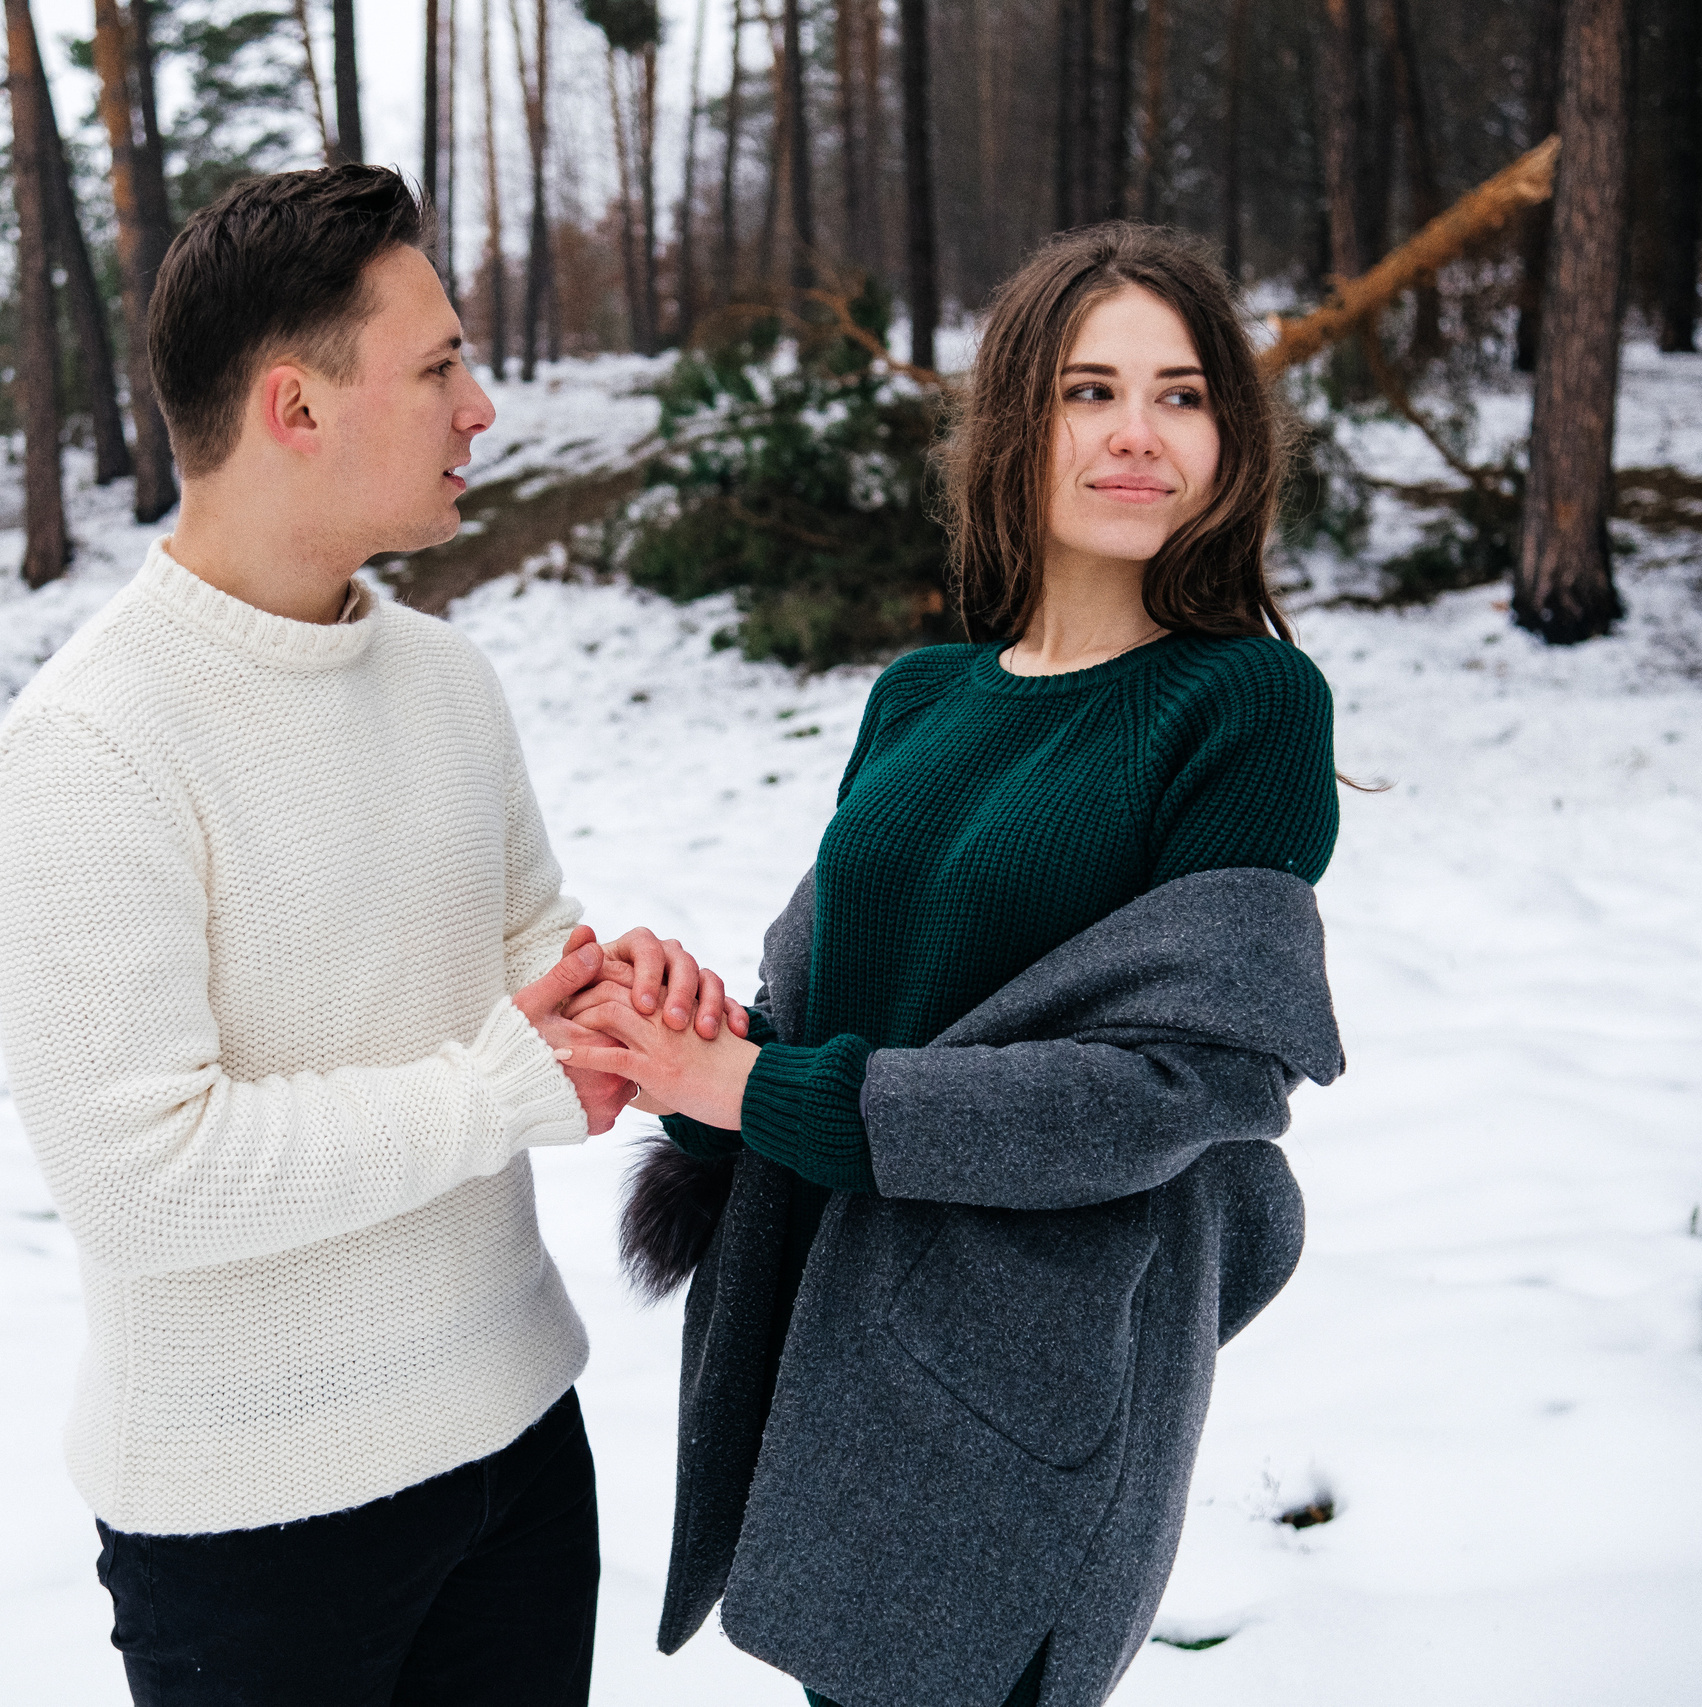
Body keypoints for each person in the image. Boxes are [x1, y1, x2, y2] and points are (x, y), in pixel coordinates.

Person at [0, 164, 737, 1707]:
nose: (484, 409)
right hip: (256, 1537)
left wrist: (621, 1004)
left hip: (519, 1445)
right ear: (294, 409)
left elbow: (533, 965)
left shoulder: (449, 680)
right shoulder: (91, 744)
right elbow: (142, 1178)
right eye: (442, 364)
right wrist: (499, 1091)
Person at [564, 222, 1348, 1707]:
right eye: (1085, 391)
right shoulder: (921, 697)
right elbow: (835, 1023)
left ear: (1231, 437)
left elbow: (1180, 1082)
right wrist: (696, 1050)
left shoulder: (1243, 703)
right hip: (827, 1345)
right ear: (1015, 427)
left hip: (1019, 1368)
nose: (1136, 435)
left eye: (1181, 395)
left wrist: (761, 1084)